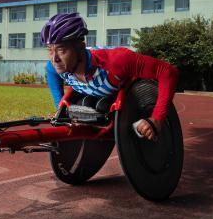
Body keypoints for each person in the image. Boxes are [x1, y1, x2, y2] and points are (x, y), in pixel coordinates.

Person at [41, 12, 179, 141]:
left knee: (102, 106)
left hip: (131, 99)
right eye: (50, 50)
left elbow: (168, 71)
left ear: (81, 47)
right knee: (87, 105)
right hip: (97, 97)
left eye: (61, 50)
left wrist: (157, 118)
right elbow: (53, 76)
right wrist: (60, 109)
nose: (54, 59)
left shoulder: (118, 61)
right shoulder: (54, 67)